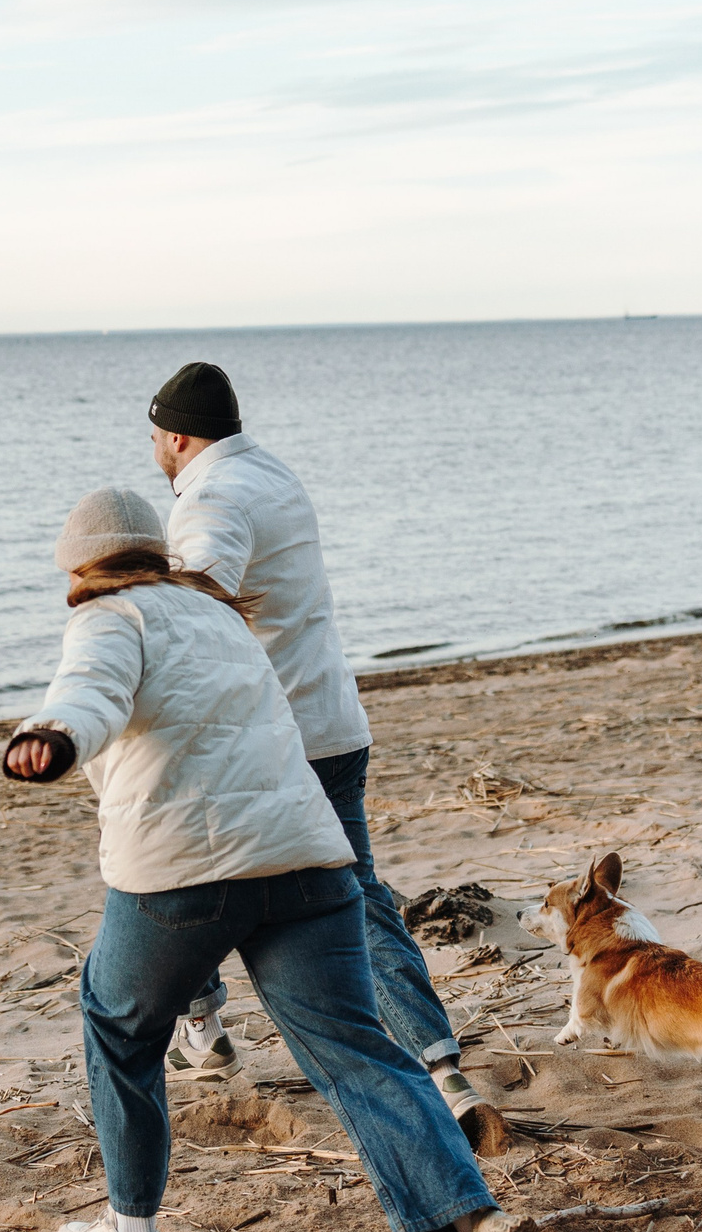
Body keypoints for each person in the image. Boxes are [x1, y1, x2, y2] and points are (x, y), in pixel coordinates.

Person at [2, 486, 561, 1232]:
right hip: (306, 858)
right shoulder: (217, 612)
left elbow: (89, 692)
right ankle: (482, 1226)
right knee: (358, 1050)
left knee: (117, 1022)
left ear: (81, 569)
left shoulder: (109, 617)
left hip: (184, 872)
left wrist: (54, 735)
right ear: (156, 550)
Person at [146, 361, 511, 1155]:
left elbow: (198, 596)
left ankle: (202, 1031)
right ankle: (442, 1068)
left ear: (175, 437)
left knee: (176, 867)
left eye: (154, 438)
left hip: (268, 743)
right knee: (360, 898)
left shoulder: (209, 499)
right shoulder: (274, 473)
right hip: (334, 725)